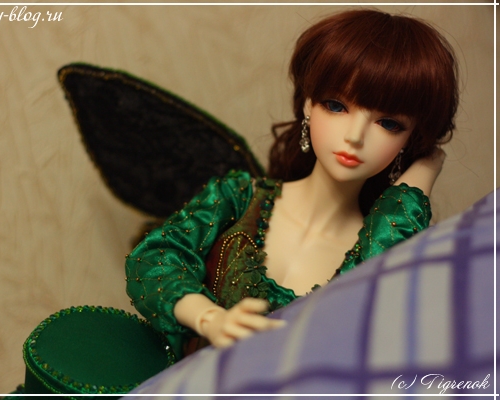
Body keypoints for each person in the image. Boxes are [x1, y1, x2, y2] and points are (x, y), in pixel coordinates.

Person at [125, 9, 458, 360]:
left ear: (410, 138)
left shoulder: (376, 252)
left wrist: (424, 169)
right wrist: (208, 318)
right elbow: (153, 259)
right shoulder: (239, 198)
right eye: (336, 105)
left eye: (389, 124)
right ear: (308, 104)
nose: (355, 136)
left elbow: (374, 307)